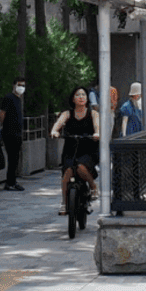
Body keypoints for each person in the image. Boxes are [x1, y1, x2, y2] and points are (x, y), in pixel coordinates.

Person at [49, 86, 101, 214]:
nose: (81, 97)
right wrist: (55, 131)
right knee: (67, 173)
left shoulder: (93, 114)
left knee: (81, 168)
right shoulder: (67, 114)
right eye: (78, 95)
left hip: (88, 149)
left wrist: (97, 134)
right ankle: (64, 203)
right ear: (73, 99)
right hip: (71, 149)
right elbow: (58, 124)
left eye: (83, 95)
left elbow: (97, 126)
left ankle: (93, 186)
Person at [0, 76, 26, 191]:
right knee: (13, 157)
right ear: (14, 85)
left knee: (15, 158)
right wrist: (6, 126)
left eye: (23, 85)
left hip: (17, 133)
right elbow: (1, 114)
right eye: (19, 85)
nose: (21, 87)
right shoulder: (9, 97)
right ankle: (10, 183)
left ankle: (12, 181)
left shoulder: (18, 99)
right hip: (10, 133)